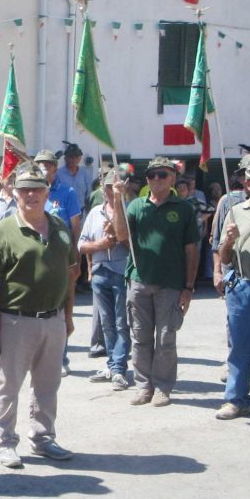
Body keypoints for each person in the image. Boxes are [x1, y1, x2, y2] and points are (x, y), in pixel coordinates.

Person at [0, 162, 77, 468]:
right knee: (8, 385)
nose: (31, 195)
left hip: (53, 319)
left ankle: (44, 437)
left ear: (47, 192)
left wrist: (68, 316)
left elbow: (71, 273)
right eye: (24, 190)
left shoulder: (60, 227)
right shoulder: (4, 229)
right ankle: (5, 441)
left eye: (37, 189)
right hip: (15, 320)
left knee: (48, 385)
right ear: (15, 193)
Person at [111, 157, 199, 407]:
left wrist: (189, 287)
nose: (156, 179)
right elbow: (121, 235)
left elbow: (191, 250)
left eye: (162, 174)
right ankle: (143, 386)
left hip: (171, 283)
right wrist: (117, 200)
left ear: (173, 178)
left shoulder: (184, 209)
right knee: (140, 337)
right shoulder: (136, 206)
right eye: (152, 175)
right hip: (138, 281)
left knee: (165, 338)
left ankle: (162, 387)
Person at [215, 157, 250, 424]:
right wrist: (228, 240)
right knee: (238, 346)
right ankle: (235, 400)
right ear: (249, 185)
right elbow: (225, 256)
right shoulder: (236, 211)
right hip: (241, 285)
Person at [80, 171, 131, 391]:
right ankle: (112, 364)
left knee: (121, 322)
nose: (111, 191)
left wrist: (117, 233)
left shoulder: (129, 210)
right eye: (108, 187)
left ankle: (119, 367)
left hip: (121, 270)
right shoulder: (94, 213)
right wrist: (100, 244)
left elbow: (131, 244)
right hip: (100, 271)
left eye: (116, 187)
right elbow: (81, 245)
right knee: (106, 323)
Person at [34, 148, 81, 374]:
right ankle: (36, 357)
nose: (44, 168)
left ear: (55, 168)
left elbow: (75, 228)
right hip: (35, 260)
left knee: (60, 309)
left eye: (48, 164)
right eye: (40, 164)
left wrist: (76, 259)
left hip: (60, 260)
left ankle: (60, 358)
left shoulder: (67, 193)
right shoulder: (30, 192)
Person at [55, 142, 91, 211]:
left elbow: (88, 193)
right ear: (65, 158)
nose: (74, 160)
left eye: (76, 157)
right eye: (71, 157)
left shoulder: (85, 173)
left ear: (80, 159)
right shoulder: (58, 174)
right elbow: (55, 194)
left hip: (80, 210)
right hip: (63, 211)